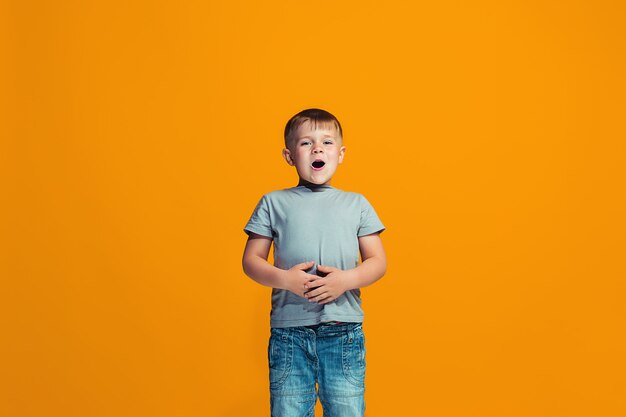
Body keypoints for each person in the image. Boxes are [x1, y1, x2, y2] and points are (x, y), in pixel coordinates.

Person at [242, 108, 387, 417]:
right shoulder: (273, 202)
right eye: (306, 143)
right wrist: (286, 280)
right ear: (289, 155)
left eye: (327, 142)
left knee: (346, 410)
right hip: (289, 334)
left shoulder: (356, 203)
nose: (318, 149)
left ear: (341, 153)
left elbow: (377, 261)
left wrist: (345, 281)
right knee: (289, 410)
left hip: (343, 331)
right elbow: (251, 260)